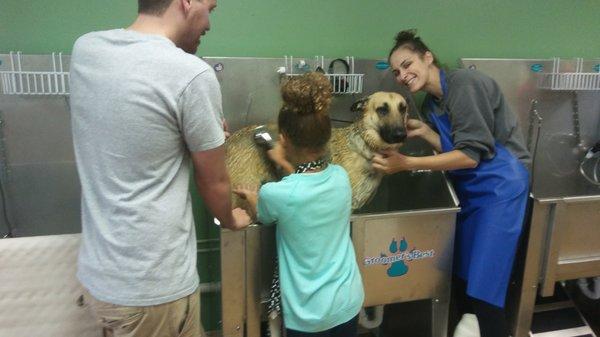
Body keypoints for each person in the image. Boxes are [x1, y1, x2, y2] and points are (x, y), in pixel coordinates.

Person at [69, 0, 251, 336]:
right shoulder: (190, 73)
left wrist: (194, 137)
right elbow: (213, 181)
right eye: (209, 8)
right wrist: (231, 219)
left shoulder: (87, 50)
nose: (209, 23)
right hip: (153, 289)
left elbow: (134, 135)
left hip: (101, 278)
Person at [373, 30, 530, 337]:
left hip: (501, 188)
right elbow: (453, 146)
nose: (403, 75)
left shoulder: (464, 85)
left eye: (408, 65)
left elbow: (470, 155)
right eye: (397, 72)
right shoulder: (432, 103)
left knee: (486, 285)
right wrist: (422, 131)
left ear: (427, 57)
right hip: (472, 192)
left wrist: (406, 164)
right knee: (462, 276)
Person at [234, 72, 365, 337]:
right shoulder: (340, 178)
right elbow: (306, 190)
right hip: (347, 301)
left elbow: (265, 209)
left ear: (283, 139)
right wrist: (284, 164)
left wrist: (250, 198)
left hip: (309, 314)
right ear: (327, 137)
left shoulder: (276, 194)